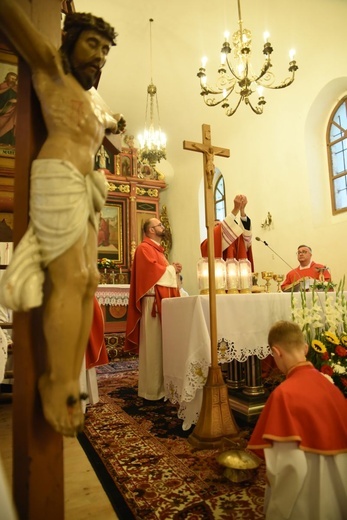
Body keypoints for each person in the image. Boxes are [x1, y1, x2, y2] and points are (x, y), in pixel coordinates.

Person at [0, 2, 126, 436]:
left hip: (86, 185)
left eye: (106, 50)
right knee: (69, 280)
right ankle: (55, 381)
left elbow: (104, 120)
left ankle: (69, 380)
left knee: (88, 281)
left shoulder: (90, 101)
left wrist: (116, 120)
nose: (100, 56)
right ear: (68, 44)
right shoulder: (51, 71)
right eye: (92, 44)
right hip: (57, 177)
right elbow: (15, 19)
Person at [247, 321, 347, 520]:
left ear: (276, 352)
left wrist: (277, 512)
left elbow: (288, 468)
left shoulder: (283, 395)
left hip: (305, 501)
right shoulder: (332, 389)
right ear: (306, 348)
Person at [125, 218, 182, 400]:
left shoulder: (157, 250)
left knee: (161, 347)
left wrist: (173, 269)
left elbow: (161, 273)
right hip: (152, 304)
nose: (162, 227)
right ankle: (151, 390)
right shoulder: (144, 249)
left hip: (161, 302)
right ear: (150, 230)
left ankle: (163, 387)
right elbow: (152, 273)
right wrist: (171, 269)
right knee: (153, 347)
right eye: (159, 225)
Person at [200, 194, 253, 269]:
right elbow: (218, 235)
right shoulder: (206, 244)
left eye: (219, 225)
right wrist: (235, 209)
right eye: (216, 227)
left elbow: (246, 238)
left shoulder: (235, 239)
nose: (219, 229)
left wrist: (242, 211)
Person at [0, 71, 18, 146]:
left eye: (14, 79)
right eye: (11, 78)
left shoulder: (17, 89)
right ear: (7, 78)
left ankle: (7, 143)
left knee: (9, 126)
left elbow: (23, 99)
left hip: (12, 112)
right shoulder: (2, 86)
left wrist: (16, 100)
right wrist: (8, 88)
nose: (13, 80)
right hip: (1, 111)